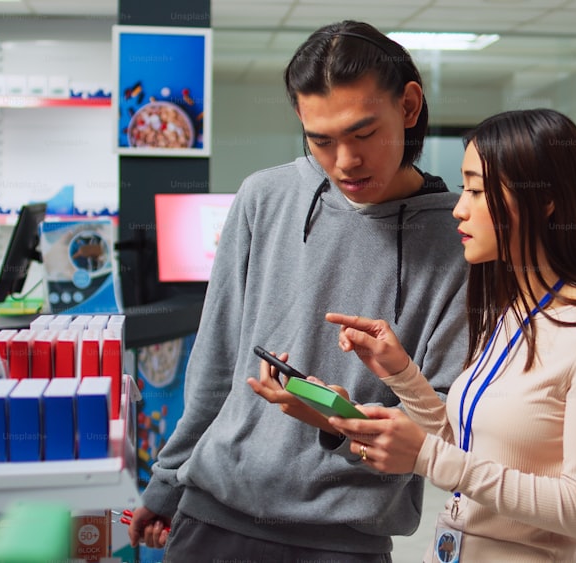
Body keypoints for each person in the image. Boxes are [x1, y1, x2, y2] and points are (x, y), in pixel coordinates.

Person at [128, 20, 469, 562]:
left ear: (408, 107)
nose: (345, 162)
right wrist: (167, 483)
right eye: (321, 140)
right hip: (214, 514)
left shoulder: (458, 242)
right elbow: (216, 363)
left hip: (345, 542)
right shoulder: (265, 197)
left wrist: (334, 417)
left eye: (362, 134)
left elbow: (443, 427)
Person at [326, 109, 576, 562]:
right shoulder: (514, 309)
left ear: (545, 199)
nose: (459, 206)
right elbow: (469, 446)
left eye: (477, 189)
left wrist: (427, 458)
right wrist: (402, 374)